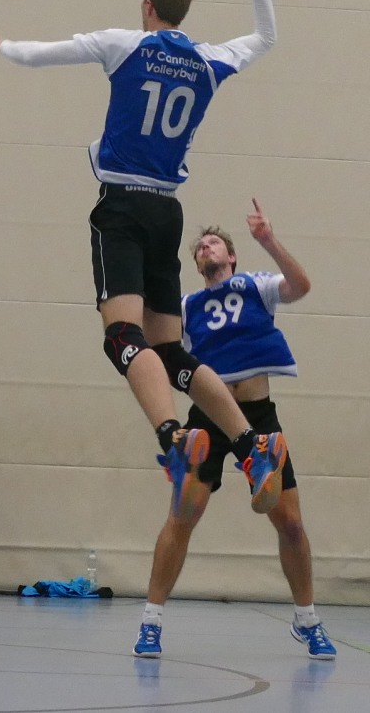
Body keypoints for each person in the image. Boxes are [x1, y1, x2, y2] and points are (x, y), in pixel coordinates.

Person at [0, 0, 288, 519]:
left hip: (120, 207)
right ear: (183, 11)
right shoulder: (209, 58)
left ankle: (174, 439)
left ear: (148, 8)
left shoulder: (126, 44)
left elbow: (52, 52)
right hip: (168, 212)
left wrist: (4, 45)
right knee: (170, 354)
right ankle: (251, 446)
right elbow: (267, 38)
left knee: (122, 338)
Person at [133, 200, 336, 660]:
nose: (205, 246)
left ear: (231, 256)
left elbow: (301, 285)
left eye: (214, 242)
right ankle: (150, 621)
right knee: (182, 516)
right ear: (198, 263)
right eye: (200, 245)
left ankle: (307, 620)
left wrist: (269, 240)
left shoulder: (256, 287)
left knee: (291, 522)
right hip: (207, 418)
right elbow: (156, 349)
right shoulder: (183, 307)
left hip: (258, 416)